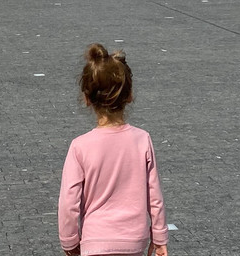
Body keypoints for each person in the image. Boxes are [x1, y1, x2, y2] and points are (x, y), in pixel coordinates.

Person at [58, 44, 168, 256]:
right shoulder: (142, 139)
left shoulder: (80, 146)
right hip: (134, 239)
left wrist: (69, 241)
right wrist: (159, 236)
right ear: (129, 95)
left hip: (95, 238)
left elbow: (68, 202)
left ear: (87, 98)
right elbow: (154, 196)